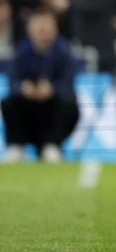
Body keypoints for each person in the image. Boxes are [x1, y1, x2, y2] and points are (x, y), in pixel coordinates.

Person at [1, 10, 79, 163]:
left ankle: (52, 145)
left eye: (46, 27)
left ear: (55, 29)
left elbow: (68, 83)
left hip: (52, 108)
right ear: (29, 29)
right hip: (29, 106)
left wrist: (51, 89)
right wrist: (24, 88)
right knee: (8, 102)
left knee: (67, 102)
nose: (42, 32)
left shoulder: (64, 52)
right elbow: (12, 79)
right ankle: (16, 146)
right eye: (38, 27)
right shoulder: (21, 51)